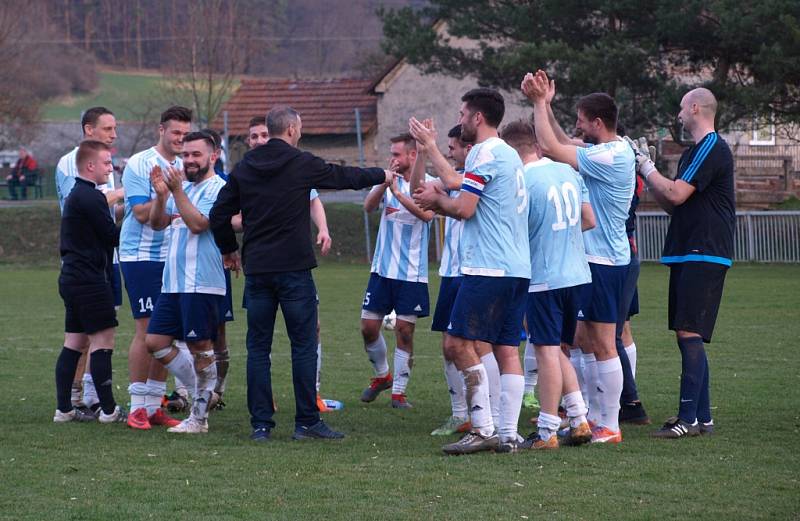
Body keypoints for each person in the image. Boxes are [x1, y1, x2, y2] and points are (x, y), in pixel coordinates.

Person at [209, 105, 394, 442]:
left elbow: (218, 214)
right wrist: (382, 174)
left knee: (258, 348)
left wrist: (229, 250)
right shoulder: (301, 163)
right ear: (292, 129)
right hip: (294, 269)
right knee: (304, 346)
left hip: (259, 271)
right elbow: (344, 176)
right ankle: (307, 422)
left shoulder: (245, 166)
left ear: (270, 129)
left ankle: (261, 425)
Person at [414, 88, 530, 454]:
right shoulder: (507, 153)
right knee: (507, 349)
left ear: (477, 117)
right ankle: (508, 434)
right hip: (516, 267)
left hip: (489, 266)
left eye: (464, 113)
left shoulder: (483, 151)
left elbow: (464, 208)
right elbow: (459, 183)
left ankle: (482, 428)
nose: (460, 118)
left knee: (457, 343)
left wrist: (436, 202)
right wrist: (432, 149)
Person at [522, 70, 635, 444]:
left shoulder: (613, 155)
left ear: (598, 123)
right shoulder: (604, 150)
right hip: (593, 263)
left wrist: (539, 104)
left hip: (605, 260)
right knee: (583, 340)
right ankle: (585, 415)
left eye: (582, 122)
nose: (577, 128)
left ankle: (610, 425)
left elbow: (552, 148)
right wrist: (547, 107)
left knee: (604, 343)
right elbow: (560, 140)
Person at [626, 88, 734, 439]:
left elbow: (676, 193)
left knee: (689, 332)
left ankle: (686, 419)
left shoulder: (712, 147)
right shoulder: (692, 153)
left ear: (695, 108)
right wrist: (648, 175)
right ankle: (702, 419)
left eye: (681, 109)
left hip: (704, 251)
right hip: (689, 250)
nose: (678, 115)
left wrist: (646, 166)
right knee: (688, 334)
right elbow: (674, 202)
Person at [500, 119, 595, 449]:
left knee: (545, 352)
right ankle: (580, 419)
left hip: (544, 278)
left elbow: (515, 233)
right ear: (536, 146)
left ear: (511, 152)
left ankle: (547, 432)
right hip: (577, 274)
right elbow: (588, 219)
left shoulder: (521, 181)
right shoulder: (567, 170)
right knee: (556, 350)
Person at [145, 131, 228, 434]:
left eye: (196, 155)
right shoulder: (183, 188)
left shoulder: (219, 189)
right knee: (154, 342)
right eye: (186, 155)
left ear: (213, 156)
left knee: (199, 347)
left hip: (202, 282)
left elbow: (198, 224)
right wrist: (161, 195)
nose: (189, 160)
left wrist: (176, 191)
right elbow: (156, 223)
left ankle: (199, 418)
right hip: (174, 283)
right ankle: (205, 393)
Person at [119, 106, 192, 430]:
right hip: (142, 257)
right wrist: (163, 193)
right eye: (176, 133)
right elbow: (138, 213)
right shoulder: (140, 163)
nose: (181, 139)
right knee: (147, 330)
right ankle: (136, 407)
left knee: (168, 332)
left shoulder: (188, 164)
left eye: (186, 134)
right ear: (161, 131)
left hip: (173, 256)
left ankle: (153, 405)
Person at [55, 106, 125, 415]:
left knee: (74, 341)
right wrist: (133, 201)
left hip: (73, 274)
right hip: (89, 276)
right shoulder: (86, 190)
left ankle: (64, 408)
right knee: (102, 341)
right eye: (107, 164)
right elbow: (110, 234)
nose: (110, 168)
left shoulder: (89, 194)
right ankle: (107, 409)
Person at [359, 133, 434, 409]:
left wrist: (399, 192)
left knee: (404, 331)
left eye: (397, 154)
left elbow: (426, 215)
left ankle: (399, 393)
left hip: (412, 273)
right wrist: (383, 184)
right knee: (368, 328)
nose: (393, 159)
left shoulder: (427, 184)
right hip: (382, 270)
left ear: (412, 156)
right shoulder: (387, 181)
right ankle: (382, 376)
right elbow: (368, 207)